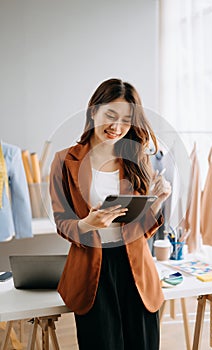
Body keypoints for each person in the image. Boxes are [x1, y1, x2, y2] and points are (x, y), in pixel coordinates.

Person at [49, 78, 171, 350]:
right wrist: (86, 223)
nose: (117, 127)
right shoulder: (63, 161)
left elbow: (143, 228)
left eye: (126, 120)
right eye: (110, 116)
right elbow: (61, 222)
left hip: (136, 269)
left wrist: (158, 201)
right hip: (93, 272)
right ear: (94, 111)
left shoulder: (138, 158)